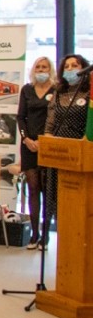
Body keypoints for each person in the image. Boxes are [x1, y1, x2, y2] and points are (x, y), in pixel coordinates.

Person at [38, 54, 91, 248]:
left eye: (74, 65)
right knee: (53, 196)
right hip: (58, 153)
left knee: (76, 200)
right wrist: (48, 137)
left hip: (79, 152)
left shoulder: (88, 93)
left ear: (83, 69)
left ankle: (77, 238)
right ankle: (53, 235)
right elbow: (50, 120)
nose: (70, 69)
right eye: (66, 66)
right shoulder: (59, 92)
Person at [17, 56, 55, 248]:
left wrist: (45, 140)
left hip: (48, 146)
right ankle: (34, 234)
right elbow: (20, 117)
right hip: (28, 146)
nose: (41, 70)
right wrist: (26, 139)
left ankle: (45, 235)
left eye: (44, 67)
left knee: (47, 190)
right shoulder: (27, 89)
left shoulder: (56, 90)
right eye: (38, 67)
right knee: (33, 189)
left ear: (50, 69)